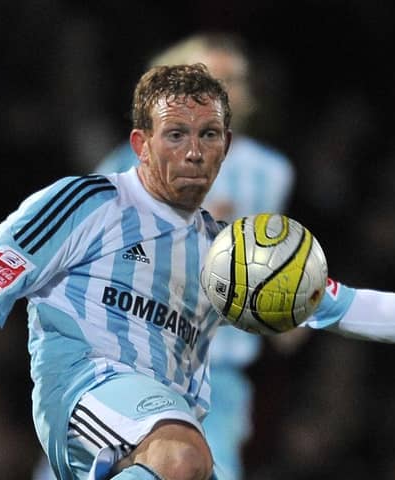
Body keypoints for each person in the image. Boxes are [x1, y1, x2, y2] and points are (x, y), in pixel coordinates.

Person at [0, 63, 395, 480]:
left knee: (187, 462)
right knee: (184, 456)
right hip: (85, 393)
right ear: (140, 143)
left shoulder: (235, 255)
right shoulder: (86, 203)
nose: (194, 150)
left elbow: (343, 305)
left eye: (210, 134)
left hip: (162, 430)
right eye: (176, 133)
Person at [93, 32, 298, 480]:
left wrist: (287, 307)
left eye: (236, 80)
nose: (227, 91)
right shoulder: (122, 167)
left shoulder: (270, 174)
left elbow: (264, 272)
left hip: (213, 378)